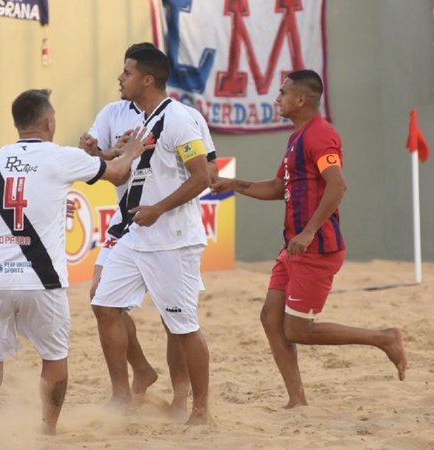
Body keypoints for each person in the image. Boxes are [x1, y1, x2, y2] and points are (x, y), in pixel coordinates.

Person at [211, 70, 408, 408]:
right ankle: (297, 400)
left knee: (298, 330)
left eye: (283, 93)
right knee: (270, 319)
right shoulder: (296, 138)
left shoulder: (320, 136)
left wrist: (309, 230)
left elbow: (338, 184)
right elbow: (278, 188)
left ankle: (384, 338)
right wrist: (235, 185)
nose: (278, 99)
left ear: (301, 100)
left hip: (316, 247)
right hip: (294, 247)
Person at [0, 88, 147, 446]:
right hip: (41, 278)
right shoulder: (61, 157)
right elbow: (117, 175)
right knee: (54, 356)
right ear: (49, 121)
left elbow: (17, 205)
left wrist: (55, 208)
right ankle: (48, 430)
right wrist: (131, 151)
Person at [80, 42, 218, 420]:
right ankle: (124, 393)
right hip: (133, 232)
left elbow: (204, 176)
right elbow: (101, 164)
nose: (119, 78)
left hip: (172, 239)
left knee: (181, 324)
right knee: (103, 305)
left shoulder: (178, 118)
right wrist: (99, 152)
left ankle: (198, 407)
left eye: (126, 72)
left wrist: (158, 208)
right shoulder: (120, 114)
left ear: (147, 79)